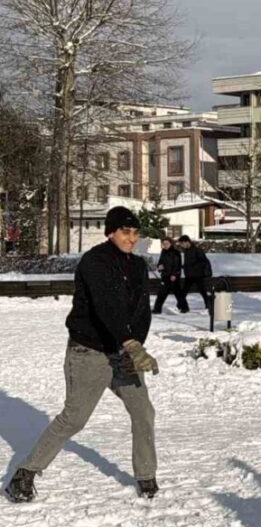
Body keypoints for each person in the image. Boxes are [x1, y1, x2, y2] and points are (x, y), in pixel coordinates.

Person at [5, 206, 161, 503]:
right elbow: (106, 306)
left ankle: (146, 476)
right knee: (74, 418)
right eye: (125, 232)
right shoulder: (94, 262)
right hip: (89, 352)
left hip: (123, 351)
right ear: (111, 232)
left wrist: (136, 344)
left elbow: (141, 311)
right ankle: (24, 474)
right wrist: (130, 343)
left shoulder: (138, 266)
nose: (131, 238)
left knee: (143, 411)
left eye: (135, 232)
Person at [177, 235, 213, 311]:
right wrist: (183, 266)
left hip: (198, 275)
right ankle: (181, 306)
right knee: (184, 291)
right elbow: (188, 263)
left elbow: (203, 261)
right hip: (189, 275)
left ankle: (208, 305)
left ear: (186, 242)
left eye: (182, 244)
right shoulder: (186, 251)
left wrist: (193, 266)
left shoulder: (197, 250)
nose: (181, 246)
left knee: (202, 291)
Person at [152, 237, 186, 314]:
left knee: (178, 293)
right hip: (165, 276)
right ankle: (157, 309)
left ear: (171, 244)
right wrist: (159, 266)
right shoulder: (163, 252)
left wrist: (174, 275)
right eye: (164, 244)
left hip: (173, 277)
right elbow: (160, 262)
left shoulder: (175, 252)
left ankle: (184, 308)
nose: (165, 245)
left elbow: (177, 265)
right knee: (161, 293)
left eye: (167, 243)